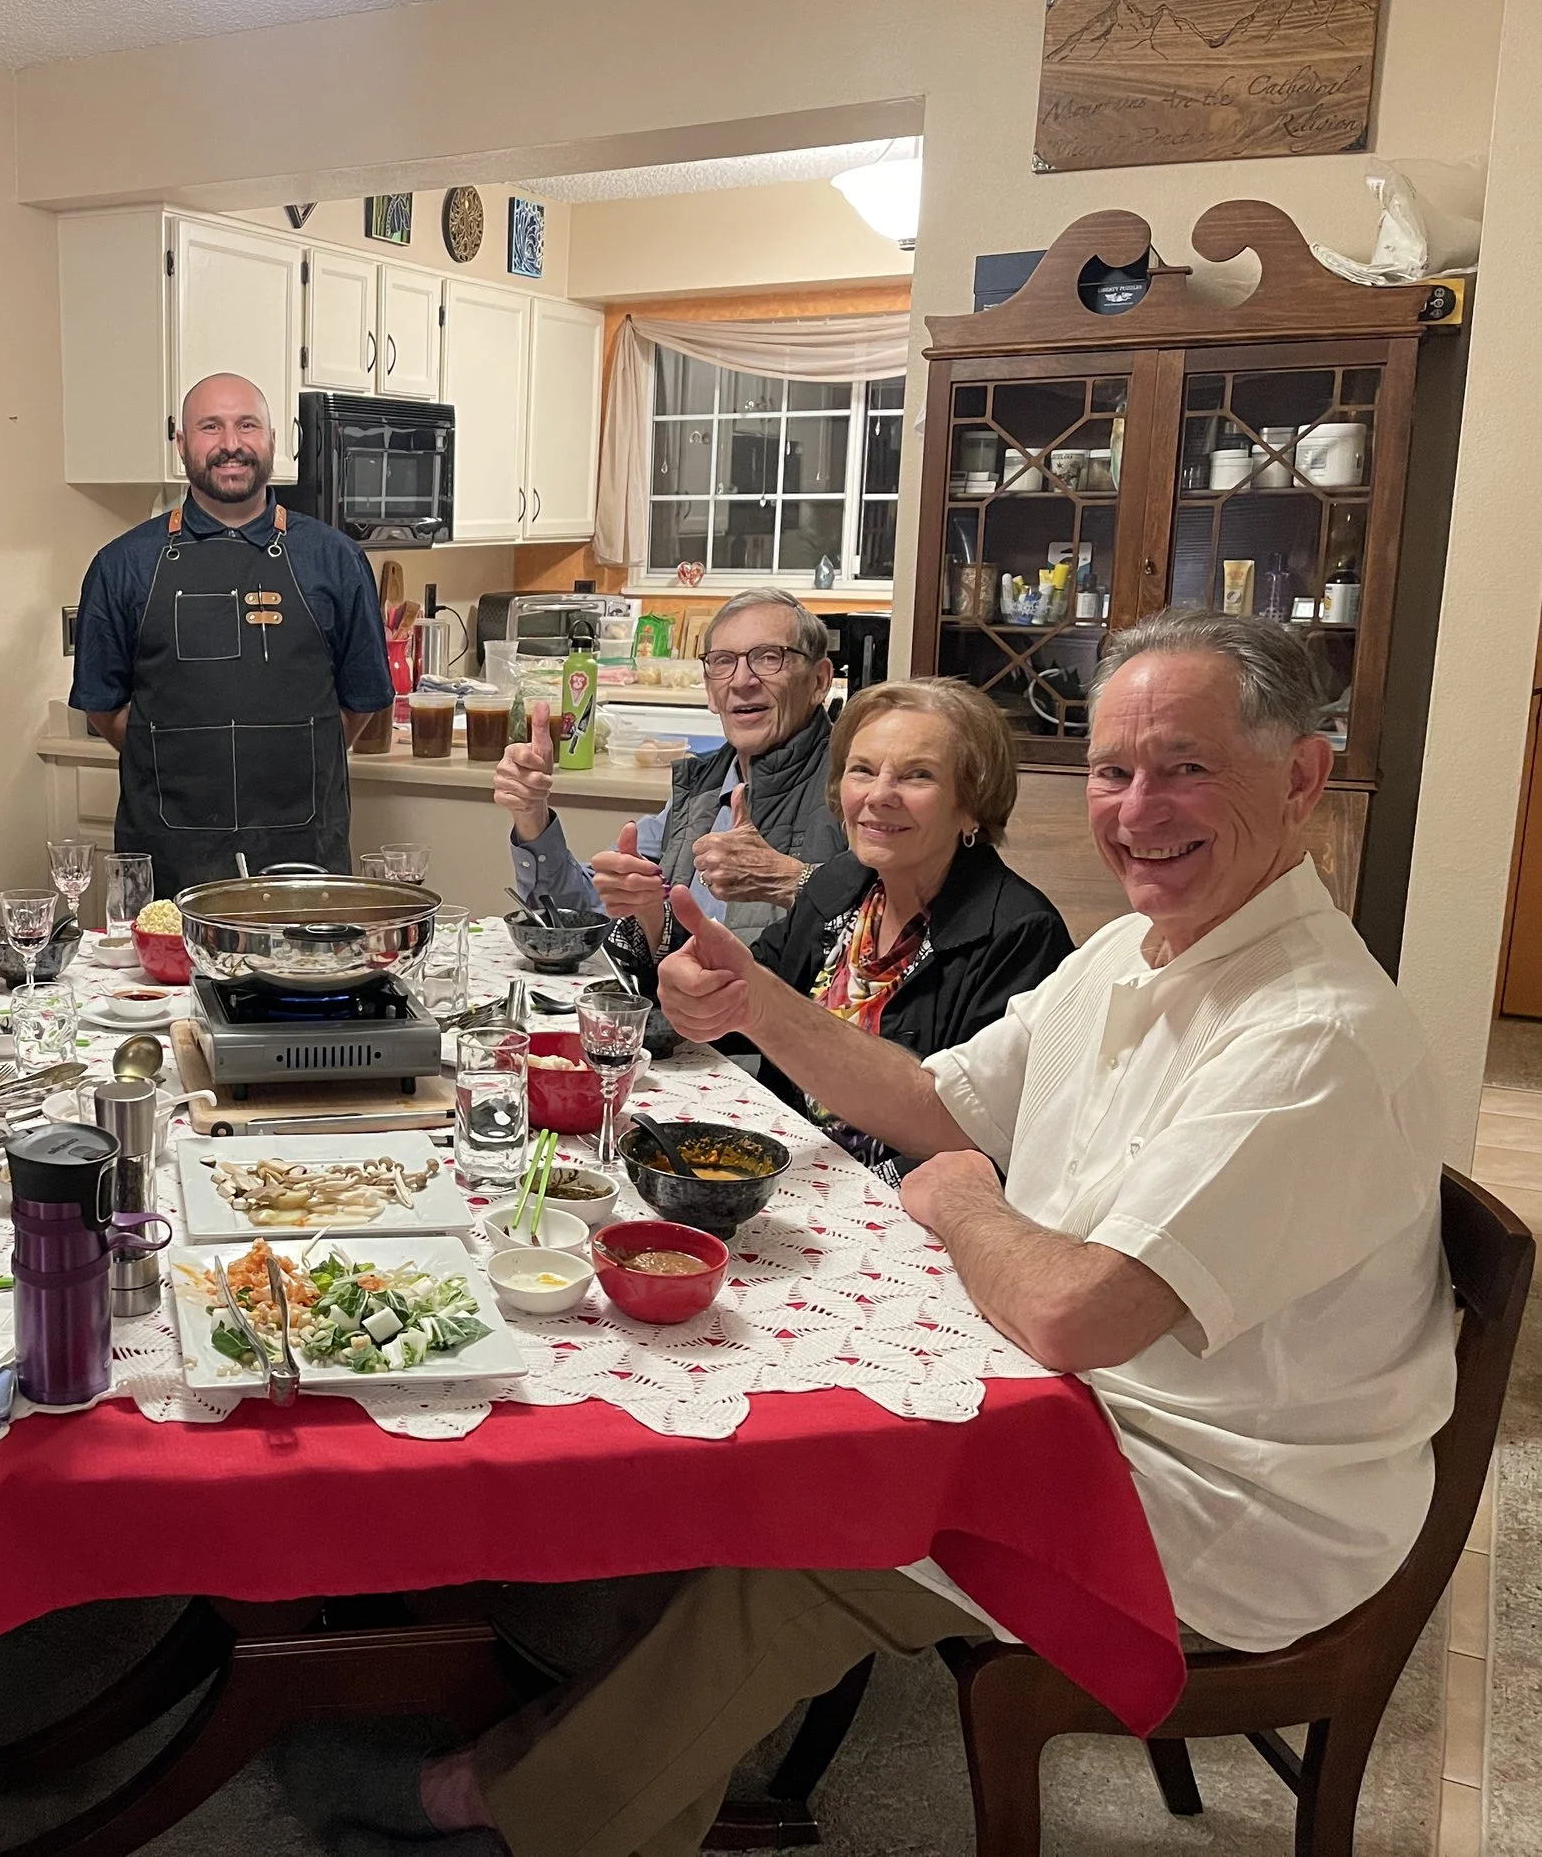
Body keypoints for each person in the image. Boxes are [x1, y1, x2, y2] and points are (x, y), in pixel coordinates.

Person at [371, 614, 1455, 1855]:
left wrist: (963, 1199)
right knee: (746, 1447)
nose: (1138, 806)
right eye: (1112, 771)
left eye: (1186, 765)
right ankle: (578, 1759)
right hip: (1082, 1406)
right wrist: (750, 1003)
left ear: (1302, 778)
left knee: (802, 1539)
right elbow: (938, 1098)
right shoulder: (1134, 953)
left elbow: (1072, 1308)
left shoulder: (1308, 1033)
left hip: (1222, 1500)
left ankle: (531, 1815)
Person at [69, 371, 394, 893]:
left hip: (304, 854)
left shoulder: (336, 561)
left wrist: (293, 753)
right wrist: (175, 755)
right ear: (180, 443)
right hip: (168, 856)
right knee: (158, 979)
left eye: (247, 425)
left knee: (305, 975)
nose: (231, 445)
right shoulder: (121, 566)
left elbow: (359, 703)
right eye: (210, 427)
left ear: (272, 440)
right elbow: (103, 707)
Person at [746, 677, 1072, 1181]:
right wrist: (656, 931)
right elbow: (741, 1001)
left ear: (972, 804)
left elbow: (985, 1136)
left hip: (898, 1215)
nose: (878, 796)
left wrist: (842, 1197)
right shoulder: (840, 885)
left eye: (917, 776)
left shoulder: (1019, 935)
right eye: (862, 771)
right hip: (791, 1172)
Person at [494, 588, 847, 951]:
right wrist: (531, 816)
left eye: (769, 657)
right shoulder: (702, 790)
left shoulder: (854, 784)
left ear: (819, 681)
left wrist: (789, 880)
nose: (742, 681)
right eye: (724, 662)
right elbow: (582, 914)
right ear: (710, 690)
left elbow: (897, 923)